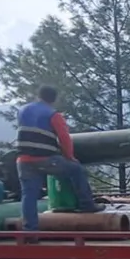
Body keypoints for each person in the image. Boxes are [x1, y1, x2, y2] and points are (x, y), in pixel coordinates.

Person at [15, 85, 100, 231]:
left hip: (23, 160)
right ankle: (87, 205)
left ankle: (29, 232)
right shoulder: (53, 114)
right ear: (54, 99)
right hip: (46, 159)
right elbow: (64, 138)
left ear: (38, 96)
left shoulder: (22, 111)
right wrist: (70, 157)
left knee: (28, 196)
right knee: (77, 170)